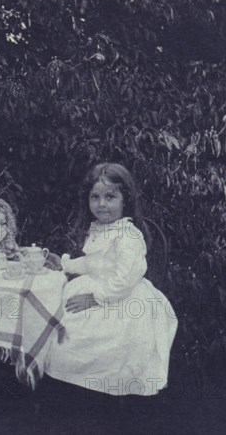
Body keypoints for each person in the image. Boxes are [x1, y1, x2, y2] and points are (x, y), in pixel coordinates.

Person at [45, 163, 178, 398]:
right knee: (59, 323)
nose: (101, 204)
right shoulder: (100, 229)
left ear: (124, 199)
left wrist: (96, 298)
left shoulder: (128, 236)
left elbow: (124, 280)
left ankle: (104, 388)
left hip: (121, 299)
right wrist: (65, 265)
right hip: (100, 287)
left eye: (110, 197)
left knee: (98, 341)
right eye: (94, 197)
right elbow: (93, 263)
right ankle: (78, 389)